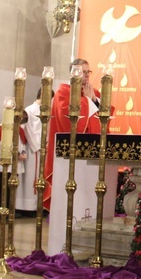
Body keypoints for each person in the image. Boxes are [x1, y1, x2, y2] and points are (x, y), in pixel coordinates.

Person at [43, 58, 104, 212]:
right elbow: (67, 118)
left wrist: (95, 100)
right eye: (82, 72)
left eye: (88, 72)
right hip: (68, 153)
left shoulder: (94, 92)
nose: (87, 76)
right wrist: (89, 101)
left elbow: (103, 119)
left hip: (91, 152)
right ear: (72, 74)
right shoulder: (63, 92)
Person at [18, 87, 53, 216]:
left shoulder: (48, 111)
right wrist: (37, 145)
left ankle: (39, 205)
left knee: (41, 177)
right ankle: (27, 207)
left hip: (45, 148)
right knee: (30, 178)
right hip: (33, 149)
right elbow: (26, 130)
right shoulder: (29, 110)